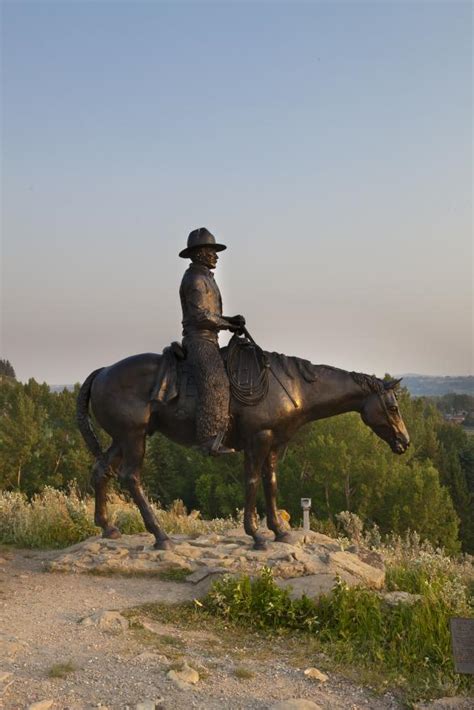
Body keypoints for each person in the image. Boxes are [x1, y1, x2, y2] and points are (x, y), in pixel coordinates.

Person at [179, 227, 245, 455]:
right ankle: (209, 439)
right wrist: (228, 323)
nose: (216, 256)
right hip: (199, 340)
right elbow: (200, 315)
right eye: (211, 251)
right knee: (215, 381)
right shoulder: (196, 279)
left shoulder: (206, 278)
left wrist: (231, 321)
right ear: (199, 253)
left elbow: (211, 315)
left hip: (210, 339)